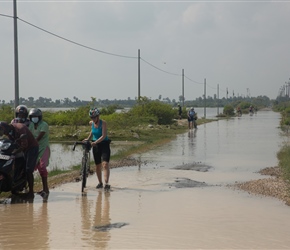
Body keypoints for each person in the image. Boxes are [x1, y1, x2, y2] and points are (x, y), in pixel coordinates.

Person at [0, 121, 39, 199]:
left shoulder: (20, 128)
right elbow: (11, 141)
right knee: (14, 161)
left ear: (6, 127)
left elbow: (24, 145)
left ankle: (31, 192)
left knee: (28, 169)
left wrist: (15, 151)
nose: (5, 134)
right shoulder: (9, 131)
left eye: (4, 132)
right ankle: (15, 180)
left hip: (31, 148)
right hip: (20, 147)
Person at [84, 108, 111, 191]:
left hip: (104, 144)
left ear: (98, 116)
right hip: (95, 146)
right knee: (97, 165)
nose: (93, 119)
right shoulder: (91, 123)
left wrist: (95, 142)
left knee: (105, 164)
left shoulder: (103, 123)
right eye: (91, 117)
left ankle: (106, 183)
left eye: (94, 117)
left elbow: (103, 135)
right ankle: (100, 183)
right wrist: (88, 139)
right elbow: (92, 132)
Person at [28, 108, 50, 200]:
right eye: (33, 117)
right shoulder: (31, 125)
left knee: (42, 166)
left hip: (43, 148)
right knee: (29, 168)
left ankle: (45, 189)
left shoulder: (44, 125)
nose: (34, 118)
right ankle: (30, 190)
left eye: (36, 117)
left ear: (39, 117)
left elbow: (38, 138)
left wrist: (31, 143)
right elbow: (29, 135)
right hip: (34, 149)